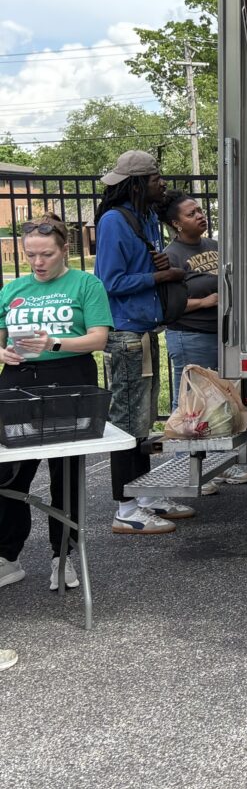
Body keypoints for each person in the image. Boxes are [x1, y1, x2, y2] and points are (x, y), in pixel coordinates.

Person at [0, 216, 112, 592]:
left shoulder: (86, 283)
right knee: (9, 473)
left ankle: (62, 556)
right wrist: (4, 352)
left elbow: (98, 339)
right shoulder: (13, 287)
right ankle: (7, 556)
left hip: (70, 379)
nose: (38, 262)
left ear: (66, 250)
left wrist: (54, 344)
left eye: (46, 254)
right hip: (18, 381)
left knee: (66, 473)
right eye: (30, 254)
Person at [94, 151, 195, 535]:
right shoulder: (114, 222)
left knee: (142, 419)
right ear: (136, 184)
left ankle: (146, 495)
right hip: (126, 335)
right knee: (126, 422)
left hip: (144, 331)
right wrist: (160, 278)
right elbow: (110, 283)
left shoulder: (145, 217)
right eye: (155, 178)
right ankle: (125, 507)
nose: (162, 182)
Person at [161, 191, 247, 494]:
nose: (200, 216)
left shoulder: (213, 246)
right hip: (190, 335)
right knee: (191, 407)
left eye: (199, 210)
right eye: (191, 213)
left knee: (222, 405)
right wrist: (205, 301)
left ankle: (221, 464)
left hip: (221, 336)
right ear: (176, 223)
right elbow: (167, 306)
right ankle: (190, 468)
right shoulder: (170, 256)